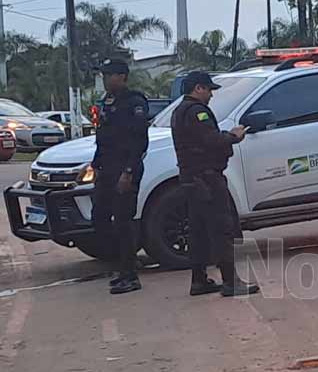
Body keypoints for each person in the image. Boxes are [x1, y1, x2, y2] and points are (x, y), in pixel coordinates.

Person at [171, 71, 260, 297]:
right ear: (197, 88)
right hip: (207, 179)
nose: (211, 95)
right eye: (208, 89)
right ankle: (231, 282)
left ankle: (199, 281)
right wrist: (233, 137)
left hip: (192, 179)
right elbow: (210, 140)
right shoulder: (197, 112)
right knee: (222, 230)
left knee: (198, 232)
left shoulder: (178, 111)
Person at [92, 59, 149, 295]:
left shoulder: (135, 102)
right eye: (104, 75)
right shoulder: (107, 102)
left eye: (110, 75)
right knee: (100, 218)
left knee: (123, 221)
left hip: (124, 170)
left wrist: (128, 172)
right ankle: (122, 265)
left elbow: (139, 142)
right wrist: (96, 165)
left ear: (122, 76)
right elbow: (102, 137)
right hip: (106, 169)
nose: (105, 79)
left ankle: (130, 275)